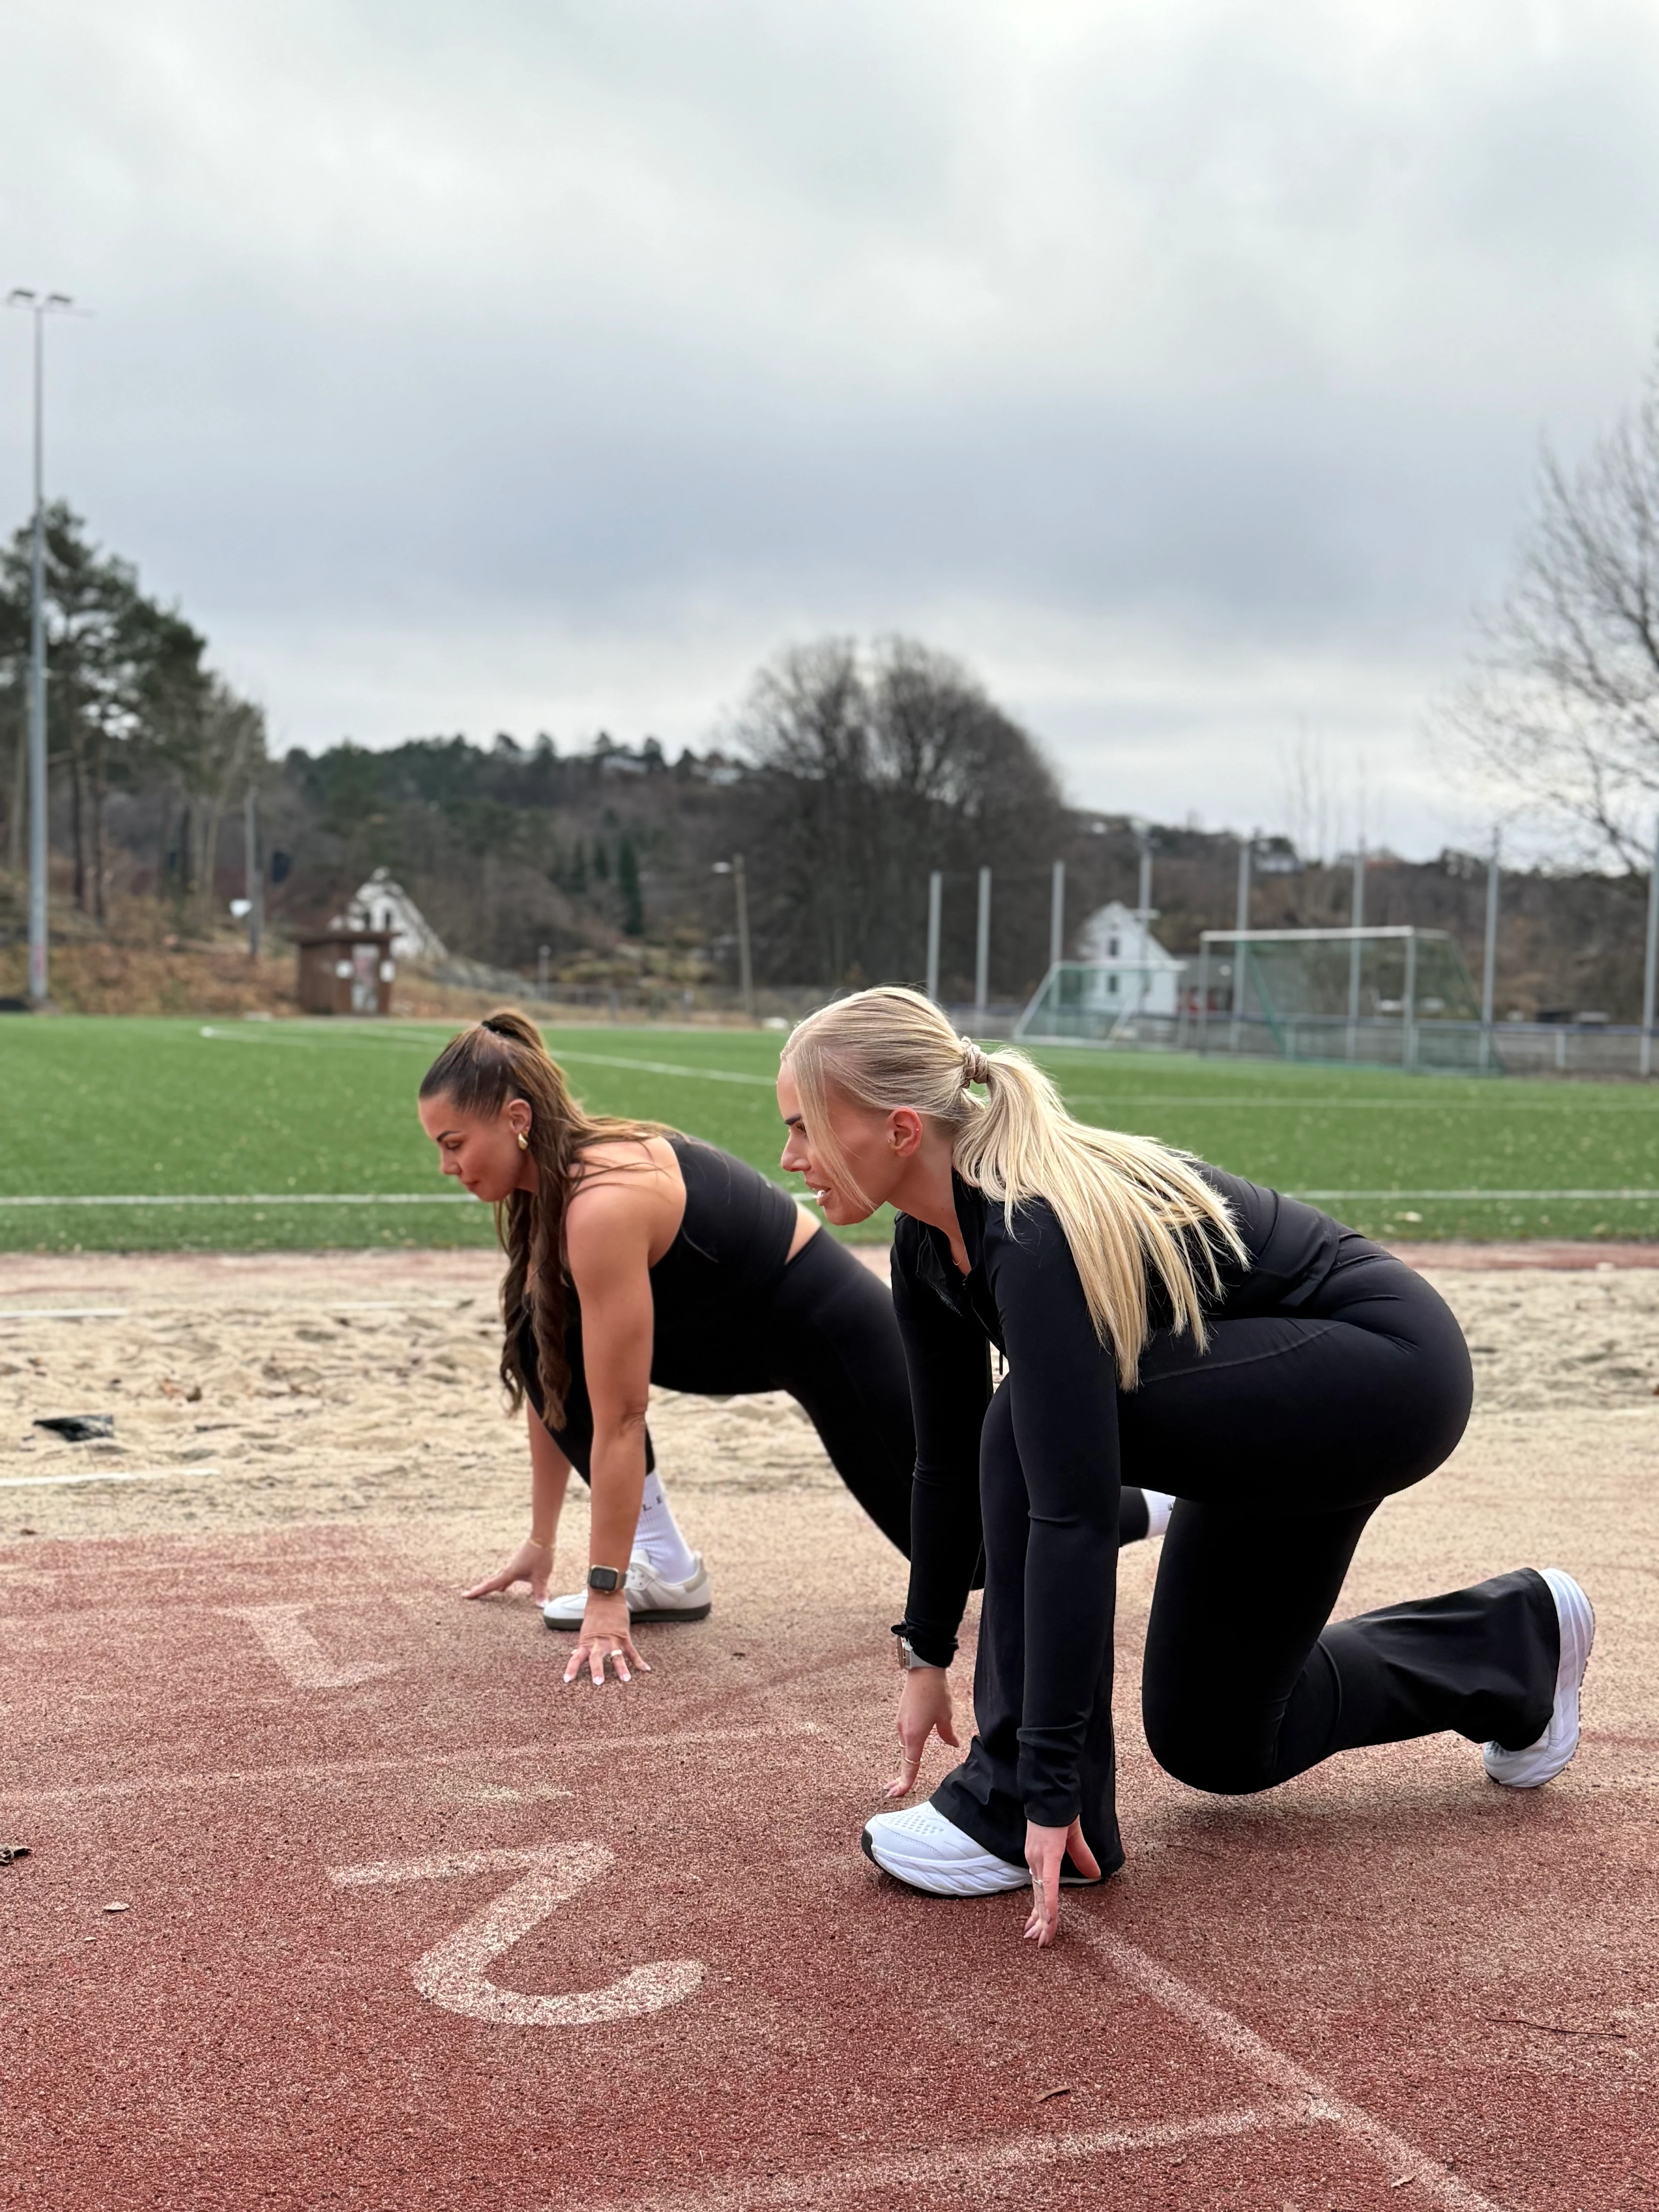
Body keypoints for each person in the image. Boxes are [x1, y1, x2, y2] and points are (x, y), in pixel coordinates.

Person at [776, 986, 1595, 1947]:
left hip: (1381, 1370)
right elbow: (943, 1465)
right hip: (1259, 1408)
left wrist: (1042, 1782)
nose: (788, 1157)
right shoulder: (926, 1244)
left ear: (902, 1127)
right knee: (1219, 1742)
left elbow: (1071, 1517)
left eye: (802, 1128)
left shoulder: (1031, 1228)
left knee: (1024, 1427)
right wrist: (926, 1651)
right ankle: (1510, 1644)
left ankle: (1005, 1808)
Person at [417, 1010, 1179, 1686]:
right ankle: (667, 1566)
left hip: (829, 1330)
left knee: (967, 1557)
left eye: (454, 1144)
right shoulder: (546, 1200)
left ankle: (1165, 1505)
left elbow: (619, 1417)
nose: (448, 1167)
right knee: (535, 1331)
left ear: (516, 1118)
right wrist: (540, 1540)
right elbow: (556, 1378)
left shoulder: (601, 1199)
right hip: (738, 1338)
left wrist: (606, 1598)